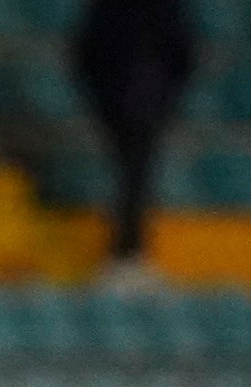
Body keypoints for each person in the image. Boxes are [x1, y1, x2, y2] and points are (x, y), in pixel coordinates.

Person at [72, 0, 199, 275]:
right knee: (130, 177)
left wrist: (162, 100)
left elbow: (183, 55)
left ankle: (129, 253)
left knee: (136, 177)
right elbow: (86, 54)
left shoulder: (163, 10)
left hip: (145, 107)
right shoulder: (110, 9)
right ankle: (125, 253)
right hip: (118, 106)